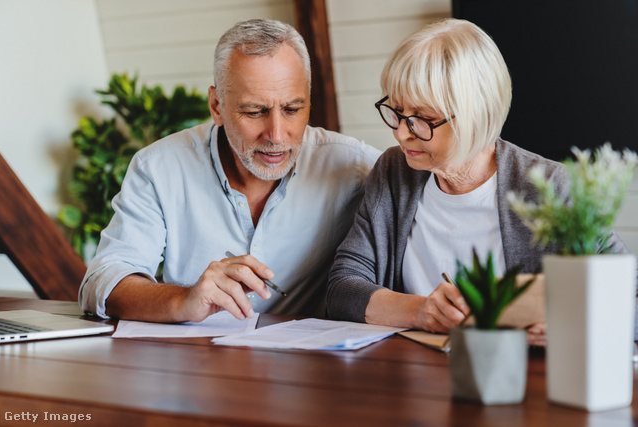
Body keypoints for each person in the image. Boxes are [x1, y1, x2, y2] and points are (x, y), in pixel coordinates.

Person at [326, 18, 632, 346]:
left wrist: (574, 323)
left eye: (423, 119)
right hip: (412, 378)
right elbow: (342, 288)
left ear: (477, 115)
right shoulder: (393, 172)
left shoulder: (548, 188)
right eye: (397, 112)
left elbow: (630, 294)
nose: (401, 132)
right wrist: (420, 311)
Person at [78, 19, 380, 322]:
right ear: (216, 106)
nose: (276, 135)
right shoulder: (158, 168)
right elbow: (102, 282)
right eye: (254, 111)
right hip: (200, 362)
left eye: (292, 109)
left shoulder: (354, 167)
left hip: (310, 364)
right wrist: (184, 299)